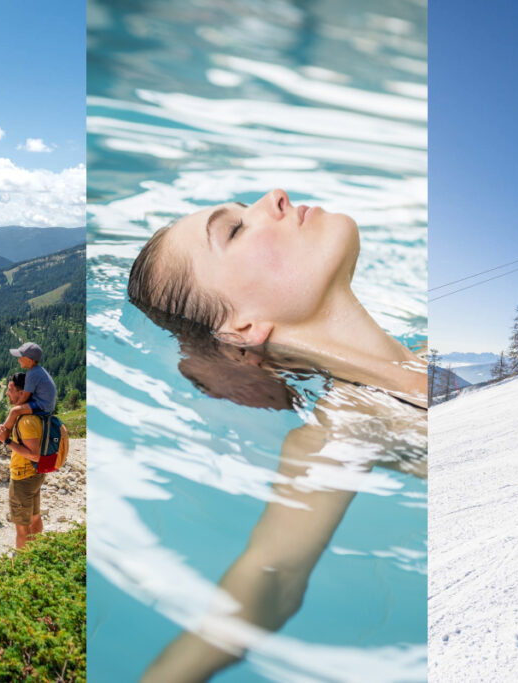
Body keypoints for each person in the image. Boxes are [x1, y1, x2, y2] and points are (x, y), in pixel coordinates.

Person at [128, 189, 427, 681]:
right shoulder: (346, 425)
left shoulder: (431, 353)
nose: (275, 196)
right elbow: (270, 583)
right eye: (235, 229)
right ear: (243, 327)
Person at [0, 342, 57, 445]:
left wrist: (16, 408)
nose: (18, 359)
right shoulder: (38, 370)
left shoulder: (32, 374)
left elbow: (25, 396)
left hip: (42, 406)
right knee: (16, 411)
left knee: (15, 411)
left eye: (20, 357)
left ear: (29, 361)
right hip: (43, 403)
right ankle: (5, 426)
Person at [2, 372, 46, 549]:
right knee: (35, 517)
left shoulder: (26, 420)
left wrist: (7, 441)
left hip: (23, 478)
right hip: (34, 474)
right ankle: (38, 554)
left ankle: (22, 569)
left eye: (10, 390)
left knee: (22, 528)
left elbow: (34, 454)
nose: (7, 394)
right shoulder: (33, 412)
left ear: (22, 393)